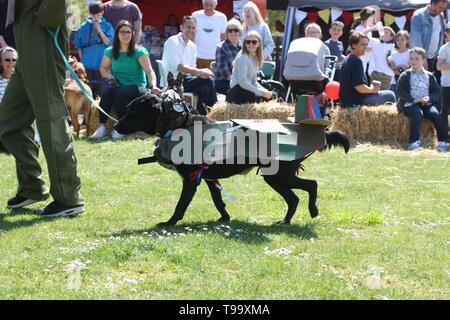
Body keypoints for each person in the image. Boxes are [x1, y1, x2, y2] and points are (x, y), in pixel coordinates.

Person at [0, 0, 84, 217]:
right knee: (7, 120)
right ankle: (32, 187)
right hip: (25, 55)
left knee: (52, 124)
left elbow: (51, 16)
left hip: (44, 53)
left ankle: (68, 198)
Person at [91, 20, 160, 140]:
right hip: (119, 86)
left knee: (121, 92)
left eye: (128, 32)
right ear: (117, 34)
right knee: (107, 91)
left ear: (133, 34)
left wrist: (153, 85)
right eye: (122, 31)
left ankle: (122, 128)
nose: (125, 34)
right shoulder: (110, 51)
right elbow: (103, 68)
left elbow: (149, 71)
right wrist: (110, 76)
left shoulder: (139, 51)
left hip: (138, 88)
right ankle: (101, 127)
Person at [162, 16, 217, 115]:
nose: (191, 30)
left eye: (193, 28)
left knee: (204, 89)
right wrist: (200, 72)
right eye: (188, 27)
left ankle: (200, 118)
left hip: (186, 80)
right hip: (173, 82)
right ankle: (216, 112)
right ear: (181, 27)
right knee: (209, 80)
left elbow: (191, 70)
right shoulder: (172, 41)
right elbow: (178, 67)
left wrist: (201, 74)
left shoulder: (193, 46)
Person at [397, 47, 448, 151]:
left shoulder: (429, 76)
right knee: (417, 114)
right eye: (411, 58)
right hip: (409, 104)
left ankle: (442, 141)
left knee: (435, 115)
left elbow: (436, 92)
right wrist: (412, 100)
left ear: (423, 60)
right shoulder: (406, 75)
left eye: (417, 59)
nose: (413, 61)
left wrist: (429, 98)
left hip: (425, 103)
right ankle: (413, 142)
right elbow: (400, 91)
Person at [339, 32, 396, 108]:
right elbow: (359, 87)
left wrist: (371, 89)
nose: (366, 47)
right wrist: (372, 89)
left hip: (347, 101)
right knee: (390, 95)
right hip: (357, 102)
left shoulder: (347, 58)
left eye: (366, 44)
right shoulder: (356, 61)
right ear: (354, 45)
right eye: (363, 45)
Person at [75, 2, 114, 99]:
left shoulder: (108, 26)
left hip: (102, 66)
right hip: (86, 66)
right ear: (89, 13)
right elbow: (79, 45)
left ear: (102, 13)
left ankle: (99, 114)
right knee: (86, 94)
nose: (95, 17)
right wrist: (82, 60)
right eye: (93, 15)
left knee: (101, 95)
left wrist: (99, 30)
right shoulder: (83, 26)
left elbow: (108, 43)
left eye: (98, 15)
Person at [227, 31, 272, 104]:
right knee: (264, 99)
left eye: (254, 42)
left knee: (272, 96)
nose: (250, 44)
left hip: (246, 90)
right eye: (248, 42)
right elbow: (242, 82)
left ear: (259, 44)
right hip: (237, 92)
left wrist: (265, 91)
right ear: (245, 43)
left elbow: (254, 81)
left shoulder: (255, 58)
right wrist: (261, 93)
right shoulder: (243, 58)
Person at [410, 0, 448, 76]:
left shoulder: (441, 16)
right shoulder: (419, 16)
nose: (442, 10)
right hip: (422, 59)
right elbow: (416, 40)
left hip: (435, 58)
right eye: (440, 7)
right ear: (432, 4)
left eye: (443, 8)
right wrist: (422, 59)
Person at [192, 0, 227, 69]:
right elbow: (191, 34)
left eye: (211, 5)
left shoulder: (222, 17)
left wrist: (222, 54)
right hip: (197, 56)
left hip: (215, 57)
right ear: (202, 4)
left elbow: (223, 36)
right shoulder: (195, 15)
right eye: (206, 5)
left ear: (215, 5)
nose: (208, 7)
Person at [213, 19, 242, 95]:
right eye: (230, 30)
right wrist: (241, 84)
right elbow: (226, 74)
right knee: (240, 92)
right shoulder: (221, 47)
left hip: (240, 81)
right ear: (227, 32)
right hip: (222, 81)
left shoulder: (244, 47)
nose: (233, 32)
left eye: (236, 30)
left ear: (240, 32)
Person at [369, 27, 396, 91]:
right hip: (375, 75)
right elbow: (361, 35)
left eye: (386, 32)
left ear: (391, 37)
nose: (383, 33)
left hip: (388, 76)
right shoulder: (374, 42)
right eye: (382, 31)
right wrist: (372, 29)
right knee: (373, 97)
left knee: (386, 98)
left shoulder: (394, 47)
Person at [436, 23, 450, 142]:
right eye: (449, 31)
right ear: (446, 34)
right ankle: (444, 138)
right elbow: (439, 66)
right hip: (447, 85)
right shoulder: (444, 48)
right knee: (445, 111)